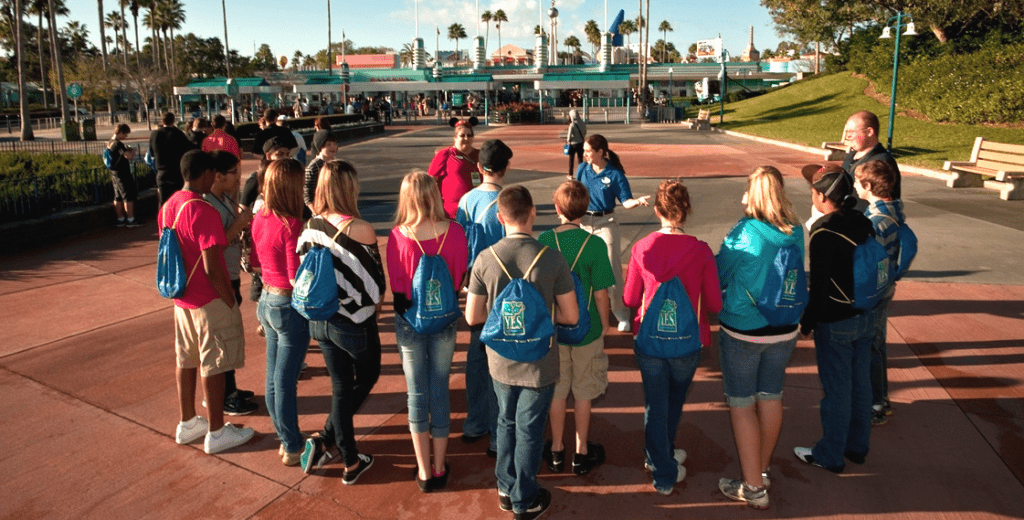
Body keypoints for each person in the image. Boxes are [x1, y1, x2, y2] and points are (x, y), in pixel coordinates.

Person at [465, 185, 578, 520]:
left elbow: (472, 316)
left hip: (500, 360)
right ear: (533, 213)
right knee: (529, 427)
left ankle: (505, 487)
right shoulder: (552, 258)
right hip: (539, 361)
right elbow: (571, 316)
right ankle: (524, 498)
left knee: (504, 419)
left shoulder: (485, 259)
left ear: (500, 218)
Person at [622, 179, 722, 496]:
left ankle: (659, 456)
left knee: (656, 403)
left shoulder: (641, 248)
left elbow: (628, 298)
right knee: (674, 401)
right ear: (687, 210)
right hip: (687, 340)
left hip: (649, 338)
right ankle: (664, 469)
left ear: (657, 210)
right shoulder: (701, 250)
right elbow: (716, 304)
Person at [715, 166, 804, 509]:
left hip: (744, 327)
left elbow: (721, 270)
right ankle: (760, 470)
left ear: (752, 193)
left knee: (741, 404)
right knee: (771, 396)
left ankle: (753, 487)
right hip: (784, 327)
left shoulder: (746, 232)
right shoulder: (795, 231)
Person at [160, 149, 255, 455]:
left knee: (185, 359)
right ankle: (216, 431)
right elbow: (213, 267)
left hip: (182, 299)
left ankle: (188, 422)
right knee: (214, 363)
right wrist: (229, 300)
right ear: (204, 174)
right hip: (208, 299)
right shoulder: (203, 211)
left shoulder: (170, 204)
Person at [298, 160, 384, 483]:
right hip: (353, 323)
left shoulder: (311, 225)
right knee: (367, 375)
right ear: (350, 188)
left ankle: (342, 452)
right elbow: (375, 286)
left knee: (340, 386)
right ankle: (333, 442)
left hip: (320, 320)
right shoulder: (359, 229)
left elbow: (303, 266)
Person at [387, 171, 469, 492]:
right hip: (445, 319)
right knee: (440, 388)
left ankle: (422, 470)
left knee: (416, 392)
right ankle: (439, 465)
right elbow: (460, 279)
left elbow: (397, 290)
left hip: (410, 321)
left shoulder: (398, 235)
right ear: (435, 194)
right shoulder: (457, 232)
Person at [793, 164, 876, 473]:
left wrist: (807, 323)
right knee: (860, 384)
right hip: (865, 313)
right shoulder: (861, 220)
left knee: (837, 390)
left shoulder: (824, 233)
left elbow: (821, 287)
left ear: (822, 196)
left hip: (837, 319)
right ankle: (857, 446)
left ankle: (830, 453)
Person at [538, 180, 615, 476]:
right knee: (583, 392)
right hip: (588, 329)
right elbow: (600, 293)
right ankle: (581, 452)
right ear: (585, 210)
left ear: (557, 209)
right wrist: (604, 324)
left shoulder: (544, 240)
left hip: (555, 330)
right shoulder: (594, 244)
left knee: (558, 391)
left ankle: (557, 449)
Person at [251, 158, 310, 466]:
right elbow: (294, 276)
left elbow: (258, 261)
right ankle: (291, 442)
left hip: (267, 299)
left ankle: (284, 435)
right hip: (288, 304)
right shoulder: (292, 225)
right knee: (285, 381)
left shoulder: (261, 216)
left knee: (274, 378)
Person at [454, 139, 511, 455]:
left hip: (475, 283)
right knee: (501, 360)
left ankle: (475, 422)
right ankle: (497, 430)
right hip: (503, 285)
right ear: (506, 167)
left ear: (479, 168)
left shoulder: (466, 200)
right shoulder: (509, 200)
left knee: (475, 355)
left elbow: (460, 240)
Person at [574, 134, 651, 332]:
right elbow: (575, 192)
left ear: (600, 152)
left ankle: (621, 313)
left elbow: (625, 201)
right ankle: (587, 311)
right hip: (584, 222)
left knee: (611, 269)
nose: (585, 155)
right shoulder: (582, 169)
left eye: (588, 151)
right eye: (584, 151)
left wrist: (636, 202)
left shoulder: (615, 175)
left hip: (606, 222)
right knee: (582, 269)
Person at [203, 151, 259, 416]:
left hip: (231, 275)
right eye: (234, 173)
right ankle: (225, 396)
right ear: (218, 176)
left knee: (230, 335)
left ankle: (230, 389)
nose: (239, 178)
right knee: (222, 338)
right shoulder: (209, 205)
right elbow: (214, 245)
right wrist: (238, 225)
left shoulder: (222, 199)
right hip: (222, 277)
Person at [853, 160, 905, 426]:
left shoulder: (875, 222)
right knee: (878, 344)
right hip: (887, 287)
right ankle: (880, 397)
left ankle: (876, 401)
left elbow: (872, 261)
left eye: (857, 182)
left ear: (868, 186)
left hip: (876, 291)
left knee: (871, 345)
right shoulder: (893, 211)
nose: (854, 186)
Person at [842, 111, 902, 199]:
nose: (848, 136)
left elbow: (885, 200)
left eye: (852, 132)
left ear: (869, 132)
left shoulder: (882, 164)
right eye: (847, 132)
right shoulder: (851, 156)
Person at [427, 118, 479, 219]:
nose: (466, 138)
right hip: (452, 211)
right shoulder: (445, 154)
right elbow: (431, 180)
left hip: (475, 209)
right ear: (455, 138)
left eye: (469, 135)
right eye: (462, 135)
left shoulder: (479, 155)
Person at [150, 112, 196, 207]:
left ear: (162, 121)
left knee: (163, 200)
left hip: (161, 172)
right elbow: (188, 150)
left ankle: (162, 220)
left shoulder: (155, 135)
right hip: (176, 172)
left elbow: (151, 152)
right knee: (178, 200)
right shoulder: (178, 134)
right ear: (173, 121)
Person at [106, 124, 140, 227]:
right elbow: (128, 156)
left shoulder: (109, 143)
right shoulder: (118, 144)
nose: (126, 137)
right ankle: (130, 219)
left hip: (114, 172)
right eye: (125, 134)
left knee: (118, 196)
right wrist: (133, 151)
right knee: (127, 196)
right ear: (120, 132)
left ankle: (120, 219)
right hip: (122, 172)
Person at [304, 133, 340, 206]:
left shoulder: (338, 163)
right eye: (328, 145)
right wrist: (315, 211)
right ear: (320, 147)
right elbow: (307, 193)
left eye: (334, 144)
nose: (332, 147)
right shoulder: (314, 167)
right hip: (321, 207)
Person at [565, 109, 586, 178]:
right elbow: (584, 132)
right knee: (580, 159)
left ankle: (570, 174)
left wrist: (568, 141)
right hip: (581, 142)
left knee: (571, 160)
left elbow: (569, 136)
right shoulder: (582, 123)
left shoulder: (572, 125)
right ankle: (581, 173)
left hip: (573, 144)